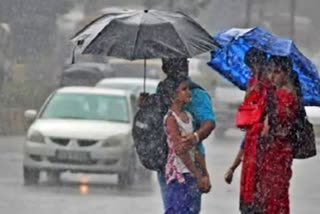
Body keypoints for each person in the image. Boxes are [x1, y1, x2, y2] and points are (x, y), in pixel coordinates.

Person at [139, 58, 216, 211]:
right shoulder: (164, 95)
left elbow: (208, 124)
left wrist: (195, 137)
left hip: (190, 165)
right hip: (171, 166)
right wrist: (145, 105)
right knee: (176, 207)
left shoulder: (196, 94)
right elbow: (178, 147)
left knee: (184, 208)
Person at [239, 55, 298, 214]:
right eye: (270, 71)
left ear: (286, 74)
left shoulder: (286, 96)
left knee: (273, 200)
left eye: (277, 72)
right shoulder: (269, 93)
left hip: (276, 156)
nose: (272, 76)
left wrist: (262, 121)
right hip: (265, 156)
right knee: (264, 199)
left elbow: (270, 127)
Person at [162, 75, 211, 214]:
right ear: (174, 95)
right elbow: (180, 150)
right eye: (184, 89)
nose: (188, 92)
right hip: (178, 174)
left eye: (188, 88)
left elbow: (195, 148)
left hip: (191, 173)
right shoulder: (171, 118)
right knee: (179, 209)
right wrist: (198, 175)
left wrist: (204, 174)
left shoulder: (189, 116)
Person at [224, 48, 268, 184]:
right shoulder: (252, 82)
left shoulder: (269, 84)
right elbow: (247, 105)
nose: (253, 69)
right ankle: (232, 168)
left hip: (264, 134)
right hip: (251, 131)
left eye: (254, 65)